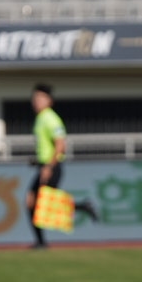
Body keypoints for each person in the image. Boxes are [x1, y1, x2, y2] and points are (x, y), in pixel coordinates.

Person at [24, 84, 99, 249]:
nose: (36, 101)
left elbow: (60, 145)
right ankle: (41, 241)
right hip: (44, 165)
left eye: (40, 98)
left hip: (51, 167)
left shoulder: (50, 118)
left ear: (49, 101)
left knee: (40, 204)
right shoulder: (41, 118)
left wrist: (49, 167)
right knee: (34, 202)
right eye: (35, 98)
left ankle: (42, 242)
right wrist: (38, 162)